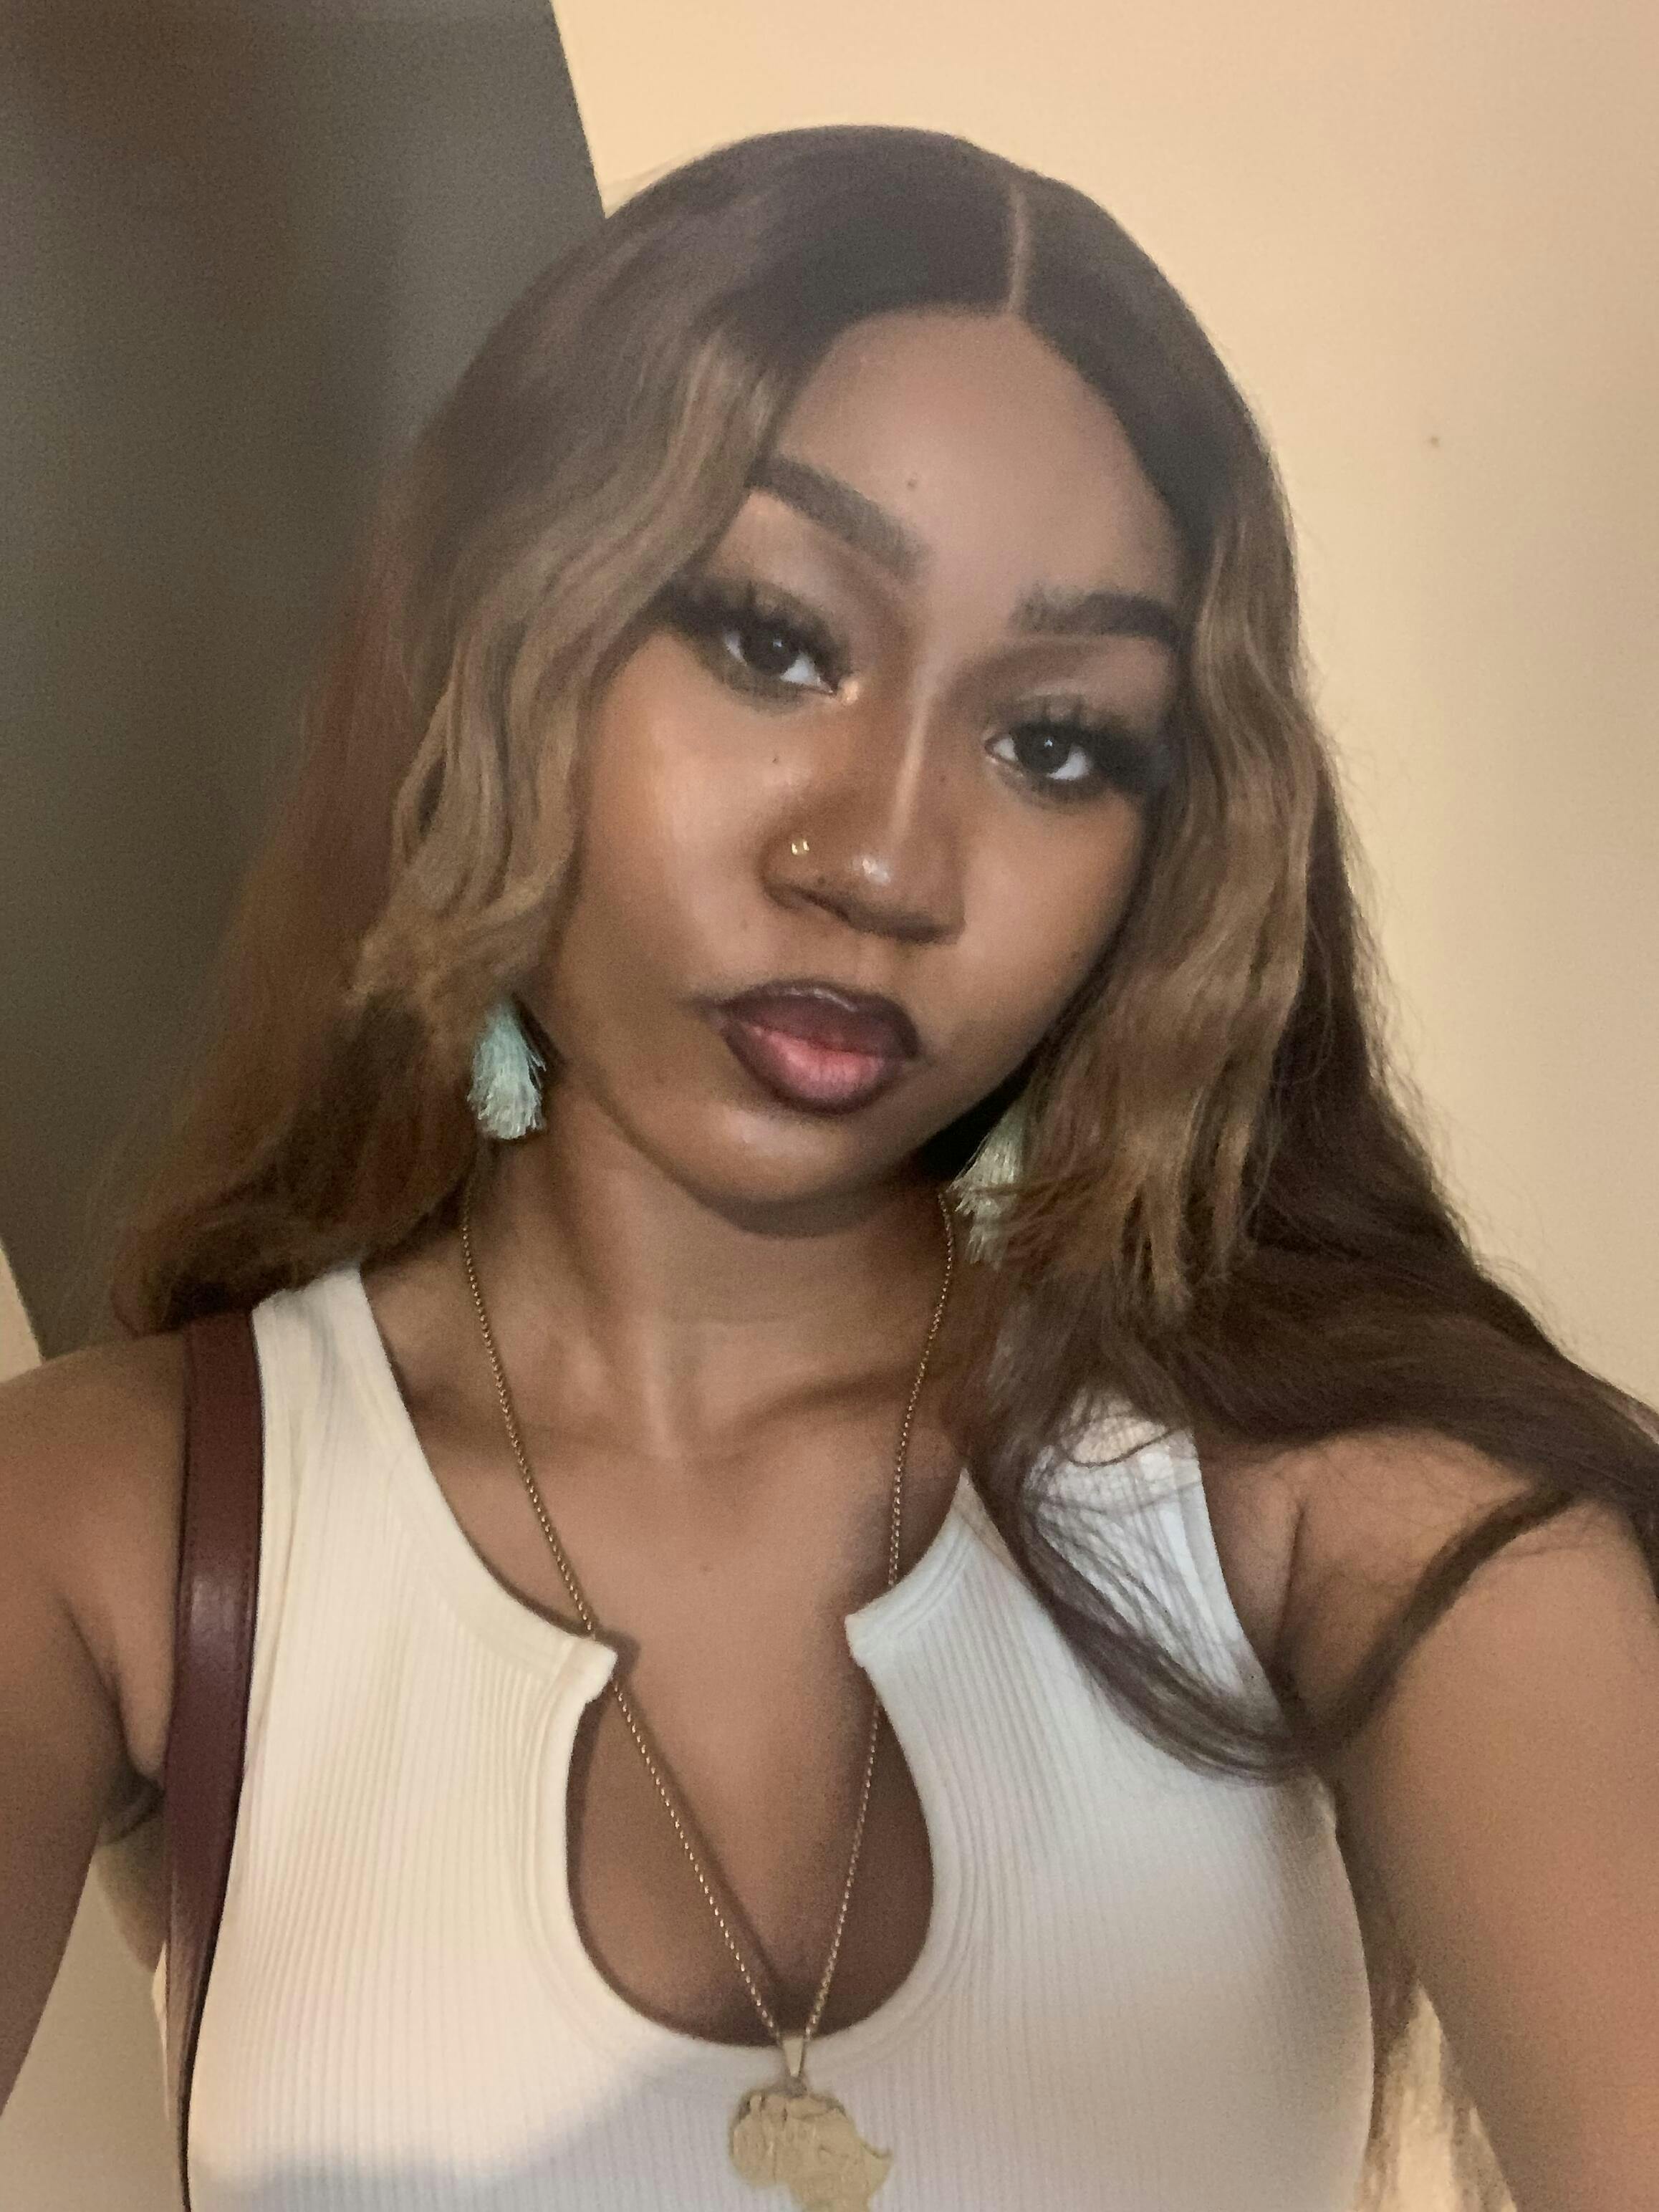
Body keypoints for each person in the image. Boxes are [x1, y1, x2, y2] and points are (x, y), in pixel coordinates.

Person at [2, 123, 1655, 2212]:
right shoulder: (112, 1529)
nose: (880, 860)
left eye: (1055, 742)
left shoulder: (1365, 1520)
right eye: (774, 638)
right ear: (500, 637)